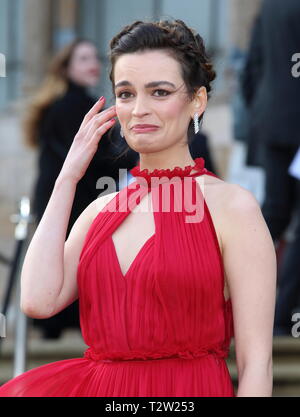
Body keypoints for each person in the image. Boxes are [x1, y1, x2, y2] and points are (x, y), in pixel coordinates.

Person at [0, 19, 276, 397]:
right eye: (126, 94)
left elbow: (256, 364)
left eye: (159, 92)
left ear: (197, 100)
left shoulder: (233, 208)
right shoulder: (101, 210)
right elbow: (38, 299)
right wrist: (66, 178)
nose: (139, 109)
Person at [23, 38, 138, 339]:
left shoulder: (63, 105)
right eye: (83, 59)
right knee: (70, 259)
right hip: (74, 198)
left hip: (62, 195)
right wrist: (137, 156)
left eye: (94, 59)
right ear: (67, 68)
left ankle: (56, 327)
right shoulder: (74, 106)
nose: (93, 65)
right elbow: (96, 158)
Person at [240, 0, 300, 335]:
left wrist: (263, 115)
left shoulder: (271, 7)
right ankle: (281, 316)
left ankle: (230, 299)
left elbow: (252, 68)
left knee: (274, 212)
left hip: (272, 120)